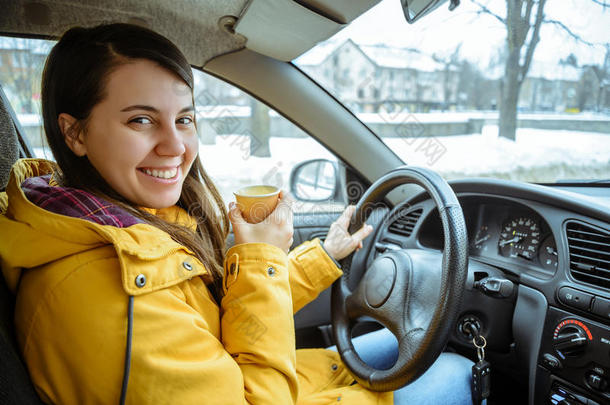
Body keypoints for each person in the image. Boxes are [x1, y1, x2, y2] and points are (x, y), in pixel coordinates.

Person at [0, 23, 473, 404]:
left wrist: (321, 256)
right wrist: (261, 256)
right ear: (75, 134)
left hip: (277, 380)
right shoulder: (109, 291)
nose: (175, 146)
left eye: (184, 118)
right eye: (140, 120)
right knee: (457, 370)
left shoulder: (122, 224)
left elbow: (221, 316)